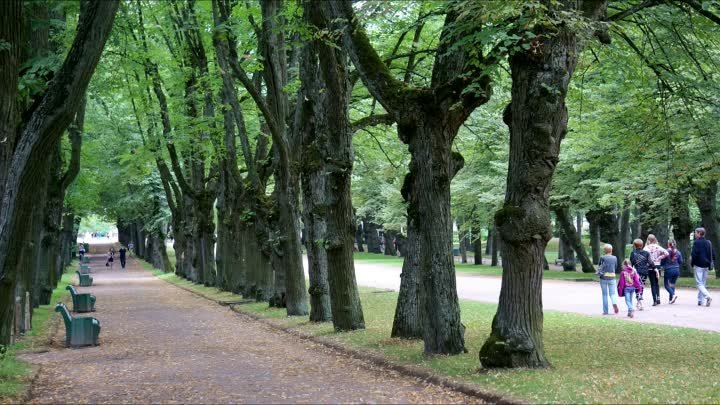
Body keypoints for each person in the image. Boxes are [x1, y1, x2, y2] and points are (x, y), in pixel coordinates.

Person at [690, 227, 715, 307]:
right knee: (703, 283)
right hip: (706, 265)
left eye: (695, 233)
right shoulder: (708, 242)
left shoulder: (696, 243)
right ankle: (700, 300)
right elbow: (713, 254)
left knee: (699, 283)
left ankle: (708, 296)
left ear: (699, 233)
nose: (695, 234)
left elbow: (694, 255)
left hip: (699, 265)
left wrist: (692, 263)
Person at [629, 239, 654, 310]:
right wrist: (655, 268)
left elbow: (631, 263)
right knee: (641, 285)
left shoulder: (633, 253)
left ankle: (639, 302)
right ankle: (639, 302)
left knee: (637, 285)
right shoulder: (646, 253)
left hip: (637, 272)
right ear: (642, 245)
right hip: (644, 272)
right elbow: (650, 262)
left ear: (634, 245)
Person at [644, 234, 668, 306]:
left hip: (650, 266)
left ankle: (654, 300)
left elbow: (644, 257)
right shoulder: (658, 247)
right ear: (655, 239)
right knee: (656, 283)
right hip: (657, 265)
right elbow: (666, 253)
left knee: (652, 283)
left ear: (648, 239)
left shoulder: (646, 248)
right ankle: (658, 298)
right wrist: (659, 257)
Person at [597, 244, 619, 315]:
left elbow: (599, 265)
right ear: (611, 250)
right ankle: (614, 303)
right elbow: (615, 266)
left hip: (603, 277)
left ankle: (605, 311)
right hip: (612, 276)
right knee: (612, 293)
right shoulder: (615, 258)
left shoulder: (602, 257)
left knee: (604, 295)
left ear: (604, 250)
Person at [661, 240, 683, 304]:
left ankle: (673, 295)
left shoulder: (666, 252)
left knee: (666, 285)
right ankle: (671, 299)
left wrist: (662, 265)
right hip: (676, 269)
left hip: (669, 270)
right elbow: (680, 261)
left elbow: (662, 261)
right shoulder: (678, 252)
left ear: (668, 244)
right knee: (672, 284)